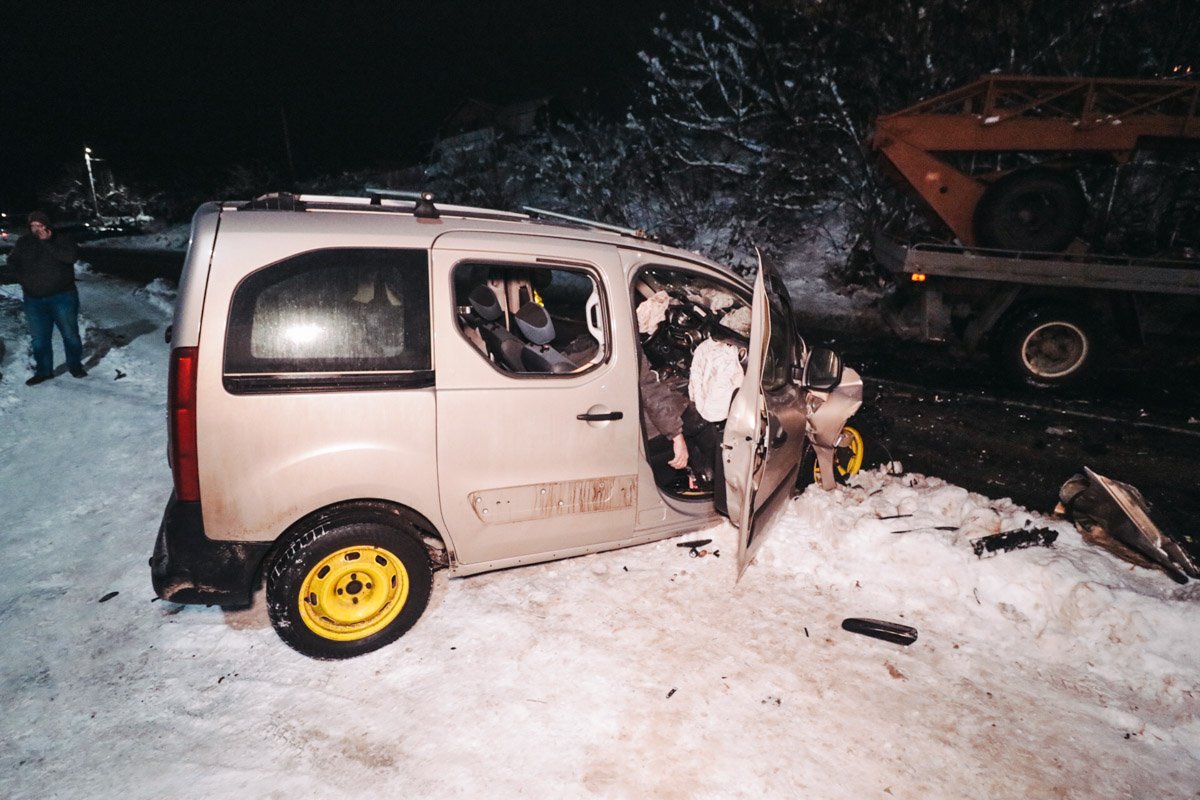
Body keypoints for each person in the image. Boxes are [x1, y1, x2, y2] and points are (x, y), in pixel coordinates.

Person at [8, 211, 86, 385]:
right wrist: (23, 280)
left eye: (40, 225)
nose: (37, 229)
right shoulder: (24, 242)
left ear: (48, 225)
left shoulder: (63, 239)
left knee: (70, 334)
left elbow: (70, 257)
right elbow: (12, 262)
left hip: (62, 296)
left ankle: (75, 366)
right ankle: (44, 371)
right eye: (33, 226)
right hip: (34, 299)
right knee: (39, 339)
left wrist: (47, 242)